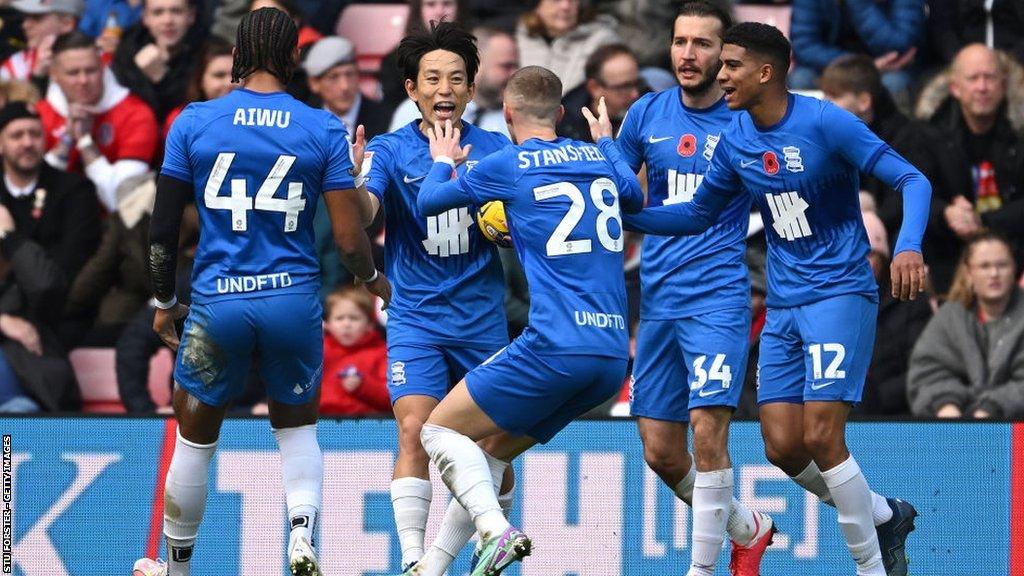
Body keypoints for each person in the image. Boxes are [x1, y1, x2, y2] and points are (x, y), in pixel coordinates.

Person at [619, 22, 930, 576]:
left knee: (821, 434)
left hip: (839, 291)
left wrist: (907, 245)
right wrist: (622, 214)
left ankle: (869, 566)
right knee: (783, 447)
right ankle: (883, 514)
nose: (720, 74)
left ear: (766, 72)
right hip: (784, 301)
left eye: (731, 65)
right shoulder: (737, 136)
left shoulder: (824, 121)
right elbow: (695, 214)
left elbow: (913, 179)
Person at [130, 7, 391, 576]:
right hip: (292, 303)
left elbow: (163, 230)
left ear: (238, 55)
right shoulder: (321, 126)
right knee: (296, 429)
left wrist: (164, 301)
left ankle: (176, 569)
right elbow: (349, 239)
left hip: (217, 303)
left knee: (196, 439)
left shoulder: (194, 121)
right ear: (293, 56)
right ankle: (301, 537)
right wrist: (373, 281)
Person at [414, 66, 643, 576]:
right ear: (561, 114)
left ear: (508, 114)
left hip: (555, 345)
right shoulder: (595, 158)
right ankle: (433, 566)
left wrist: (442, 161)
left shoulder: (509, 163)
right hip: (608, 359)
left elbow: (430, 203)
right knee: (492, 452)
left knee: (437, 431)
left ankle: (496, 532)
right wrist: (606, 143)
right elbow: (634, 198)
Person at [610, 5, 775, 575]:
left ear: (725, 56)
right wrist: (602, 158)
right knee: (659, 450)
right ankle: (746, 528)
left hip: (718, 299)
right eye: (680, 41)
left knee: (709, 430)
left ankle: (701, 569)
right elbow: (617, 196)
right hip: (657, 302)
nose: (687, 54)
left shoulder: (745, 124)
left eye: (702, 44)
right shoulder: (646, 113)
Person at [360, 22, 513, 574]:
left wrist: (509, 223)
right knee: (414, 430)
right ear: (411, 89)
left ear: (472, 90)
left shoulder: (496, 149)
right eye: (432, 78)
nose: (444, 89)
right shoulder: (387, 150)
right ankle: (413, 561)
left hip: (481, 319)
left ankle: (485, 558)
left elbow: (522, 220)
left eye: (456, 78)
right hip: (416, 318)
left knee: (496, 446)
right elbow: (365, 217)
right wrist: (353, 189)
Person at [820, 54, 961, 294]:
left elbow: (909, 196)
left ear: (864, 101)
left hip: (898, 234)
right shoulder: (832, 138)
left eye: (834, 98)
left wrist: (868, 222)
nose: (824, 107)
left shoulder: (908, 138)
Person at [0, 101, 100, 412]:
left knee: (17, 414)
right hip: (10, 325)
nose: (27, 142)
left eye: (34, 134)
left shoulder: (73, 191)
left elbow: (52, 284)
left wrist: (10, 238)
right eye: (17, 135)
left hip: (49, 332)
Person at [917, 44, 1024, 281]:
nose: (982, 87)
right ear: (955, 87)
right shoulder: (929, 133)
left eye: (990, 78)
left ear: (1004, 85)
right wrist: (946, 214)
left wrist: (983, 222)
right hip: (949, 251)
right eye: (973, 78)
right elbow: (912, 192)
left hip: (1015, 246)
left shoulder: (1020, 131)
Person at [39, 30, 159, 213]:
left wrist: (86, 142)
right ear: (54, 75)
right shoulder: (41, 114)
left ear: (103, 68)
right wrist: (67, 140)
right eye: (73, 73)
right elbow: (34, 193)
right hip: (54, 225)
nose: (83, 80)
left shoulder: (136, 114)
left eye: (91, 70)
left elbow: (125, 203)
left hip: (115, 231)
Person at [907, 232, 1024, 419]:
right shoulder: (950, 317)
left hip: (1015, 431)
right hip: (954, 428)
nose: (994, 273)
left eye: (1002, 265)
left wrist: (992, 407)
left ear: (1014, 269)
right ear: (969, 272)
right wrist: (946, 404)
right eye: (985, 266)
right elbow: (926, 373)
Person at [858, 208, 932, 415]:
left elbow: (924, 366)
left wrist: (877, 398)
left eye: (869, 255)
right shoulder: (824, 304)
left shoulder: (909, 300)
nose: (859, 264)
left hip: (896, 415)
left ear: (882, 258)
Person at [388, 24, 519, 137]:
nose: (514, 74)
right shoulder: (411, 112)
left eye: (516, 66)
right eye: (506, 66)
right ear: (478, 66)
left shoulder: (517, 118)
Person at [110, 0, 205, 123]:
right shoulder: (127, 50)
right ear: (145, 17)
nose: (168, 21)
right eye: (158, 12)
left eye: (176, 11)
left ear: (191, 15)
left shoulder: (206, 53)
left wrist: (162, 77)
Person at [319, 285, 390, 416]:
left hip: (364, 427)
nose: (346, 324)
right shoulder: (318, 351)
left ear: (370, 324)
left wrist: (363, 386)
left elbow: (393, 399)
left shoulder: (382, 354)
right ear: (327, 324)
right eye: (339, 318)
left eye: (354, 318)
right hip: (319, 423)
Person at [303, 35, 390, 138]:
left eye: (350, 74)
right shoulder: (304, 122)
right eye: (333, 77)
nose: (344, 86)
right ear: (314, 83)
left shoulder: (386, 120)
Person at [556, 42, 641, 143]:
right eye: (623, 87)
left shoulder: (651, 105)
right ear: (594, 88)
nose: (635, 94)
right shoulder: (566, 122)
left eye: (637, 83)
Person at [1, 0, 82, 89]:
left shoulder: (96, 61)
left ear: (67, 23)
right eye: (26, 16)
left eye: (36, 17)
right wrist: (39, 76)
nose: (25, 25)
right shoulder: (17, 65)